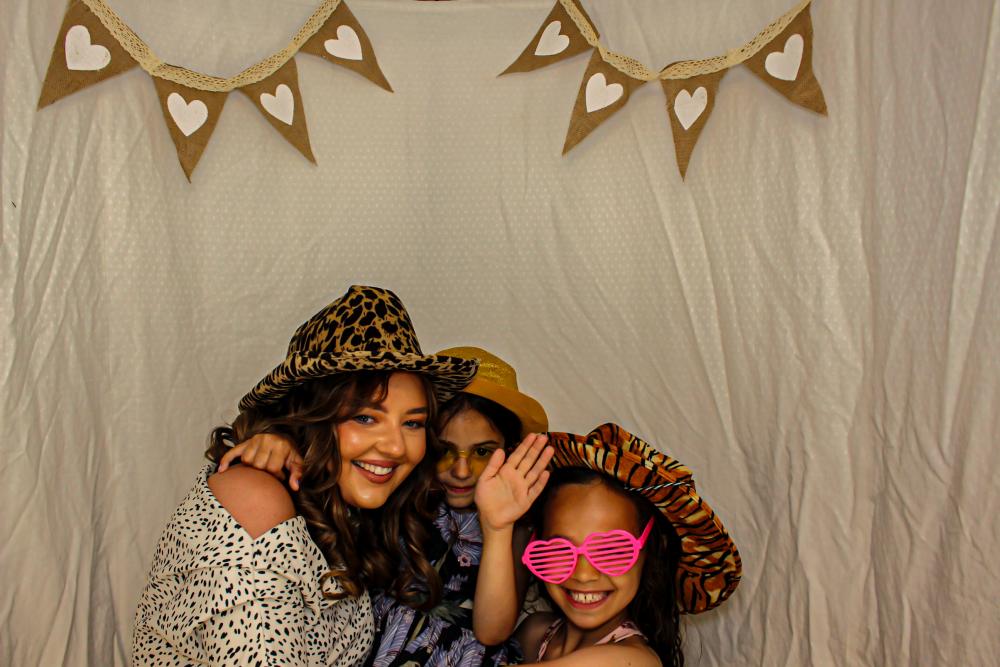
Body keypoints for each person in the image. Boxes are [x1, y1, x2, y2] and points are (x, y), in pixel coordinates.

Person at [131, 285, 478, 666]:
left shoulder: (344, 513)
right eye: (365, 417)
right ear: (312, 417)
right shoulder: (252, 498)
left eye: (412, 423)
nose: (396, 447)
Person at [222, 347, 555, 667]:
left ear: (509, 451)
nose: (462, 470)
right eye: (444, 450)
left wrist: (498, 528)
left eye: (482, 452)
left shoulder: (515, 524)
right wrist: (280, 440)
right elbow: (320, 468)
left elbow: (492, 632)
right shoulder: (396, 494)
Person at [477, 423, 742, 666]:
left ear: (651, 551)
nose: (583, 574)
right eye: (559, 550)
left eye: (611, 550)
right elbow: (490, 633)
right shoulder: (536, 632)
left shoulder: (633, 661)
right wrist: (497, 528)